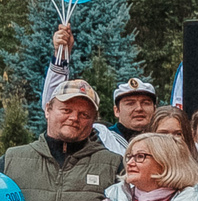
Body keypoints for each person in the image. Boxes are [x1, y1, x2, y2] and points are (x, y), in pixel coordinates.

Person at [42, 22, 159, 155]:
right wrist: (61, 55)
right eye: (130, 103)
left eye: (146, 103)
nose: (139, 108)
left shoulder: (163, 138)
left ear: (155, 109)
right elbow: (55, 103)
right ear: (116, 111)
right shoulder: (99, 135)